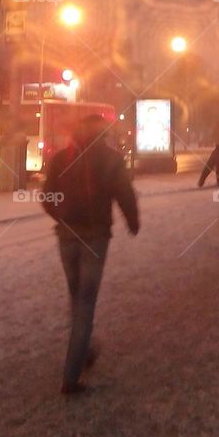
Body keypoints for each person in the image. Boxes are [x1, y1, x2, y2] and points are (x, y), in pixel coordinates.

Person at [42, 115, 140, 395]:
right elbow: (125, 193)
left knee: (76, 298)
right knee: (85, 303)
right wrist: (133, 221)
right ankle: (71, 378)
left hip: (66, 238)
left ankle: (86, 348)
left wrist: (61, 217)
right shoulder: (110, 159)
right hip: (94, 238)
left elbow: (48, 194)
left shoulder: (62, 158)